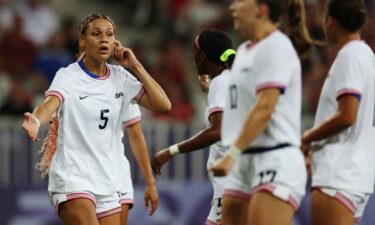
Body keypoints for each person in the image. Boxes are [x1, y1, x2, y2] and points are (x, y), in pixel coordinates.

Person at [22, 13, 170, 225]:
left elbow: (164, 105)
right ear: (82, 40)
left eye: (109, 35)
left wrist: (135, 66)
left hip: (107, 180)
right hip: (72, 177)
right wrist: (36, 120)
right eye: (96, 34)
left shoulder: (121, 77)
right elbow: (48, 106)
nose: (104, 39)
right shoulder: (69, 76)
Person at [210, 0, 314, 225]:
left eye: (239, 1)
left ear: (261, 8)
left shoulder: (277, 46)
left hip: (275, 158)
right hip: (244, 162)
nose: (232, 7)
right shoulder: (244, 51)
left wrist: (231, 155)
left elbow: (265, 108)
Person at [301, 1, 375, 225]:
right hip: (356, 176)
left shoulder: (349, 56)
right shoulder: (368, 57)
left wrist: (308, 137)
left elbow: (347, 115)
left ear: (330, 21)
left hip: (338, 176)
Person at [151, 29, 236, 225]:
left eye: (194, 53)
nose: (192, 59)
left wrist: (171, 151)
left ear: (203, 56)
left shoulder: (221, 83)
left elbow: (218, 131)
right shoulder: (233, 79)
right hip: (239, 179)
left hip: (230, 182)